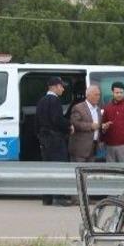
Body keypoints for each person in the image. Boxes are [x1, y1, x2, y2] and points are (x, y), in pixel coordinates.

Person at [35, 76, 73, 204]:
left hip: (44, 139)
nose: (63, 89)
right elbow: (57, 119)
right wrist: (69, 126)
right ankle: (59, 197)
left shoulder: (41, 100)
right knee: (59, 167)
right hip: (55, 138)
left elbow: (37, 123)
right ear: (55, 86)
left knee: (47, 168)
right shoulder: (54, 100)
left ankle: (47, 198)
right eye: (61, 86)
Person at [100, 80, 124, 163]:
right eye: (117, 92)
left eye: (121, 92)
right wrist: (102, 139)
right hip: (110, 146)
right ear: (112, 92)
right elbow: (103, 124)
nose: (119, 95)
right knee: (111, 171)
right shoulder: (107, 107)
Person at [69, 85, 102, 162]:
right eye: (96, 94)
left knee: (90, 172)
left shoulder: (98, 109)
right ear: (88, 95)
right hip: (80, 149)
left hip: (93, 147)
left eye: (99, 95)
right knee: (78, 171)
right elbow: (74, 123)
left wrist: (102, 126)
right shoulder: (78, 107)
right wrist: (90, 126)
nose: (98, 97)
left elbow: (97, 125)